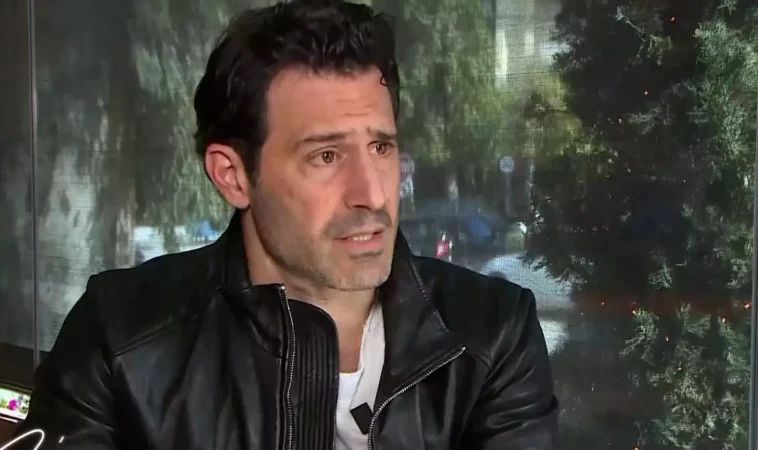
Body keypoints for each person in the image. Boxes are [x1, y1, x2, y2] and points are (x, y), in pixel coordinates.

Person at [9, 1, 559, 449]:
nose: (372, 194)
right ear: (233, 177)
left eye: (381, 147)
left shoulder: (492, 334)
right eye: (326, 156)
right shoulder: (117, 337)